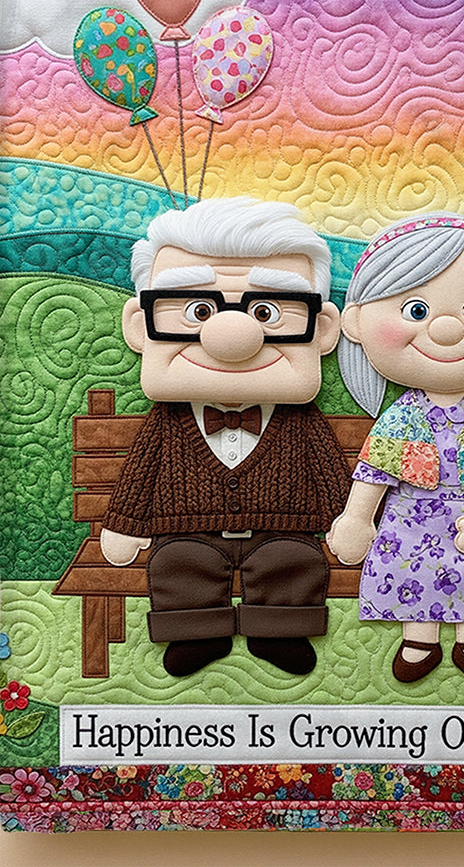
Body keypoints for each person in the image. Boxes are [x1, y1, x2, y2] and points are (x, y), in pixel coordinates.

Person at [100, 196, 351, 677]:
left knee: (294, 561)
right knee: (177, 564)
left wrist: (346, 520)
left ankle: (281, 630)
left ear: (322, 330)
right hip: (184, 527)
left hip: (285, 525)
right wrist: (125, 524)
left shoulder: (300, 420)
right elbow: (140, 473)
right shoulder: (168, 420)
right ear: (140, 326)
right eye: (197, 310)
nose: (232, 336)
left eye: (267, 312)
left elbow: (328, 469)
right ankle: (195, 632)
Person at [328, 214, 464, 684]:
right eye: (415, 310)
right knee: (411, 569)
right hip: (410, 521)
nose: (446, 330)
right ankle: (419, 639)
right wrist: (357, 518)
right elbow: (375, 471)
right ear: (356, 323)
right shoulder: (401, 417)